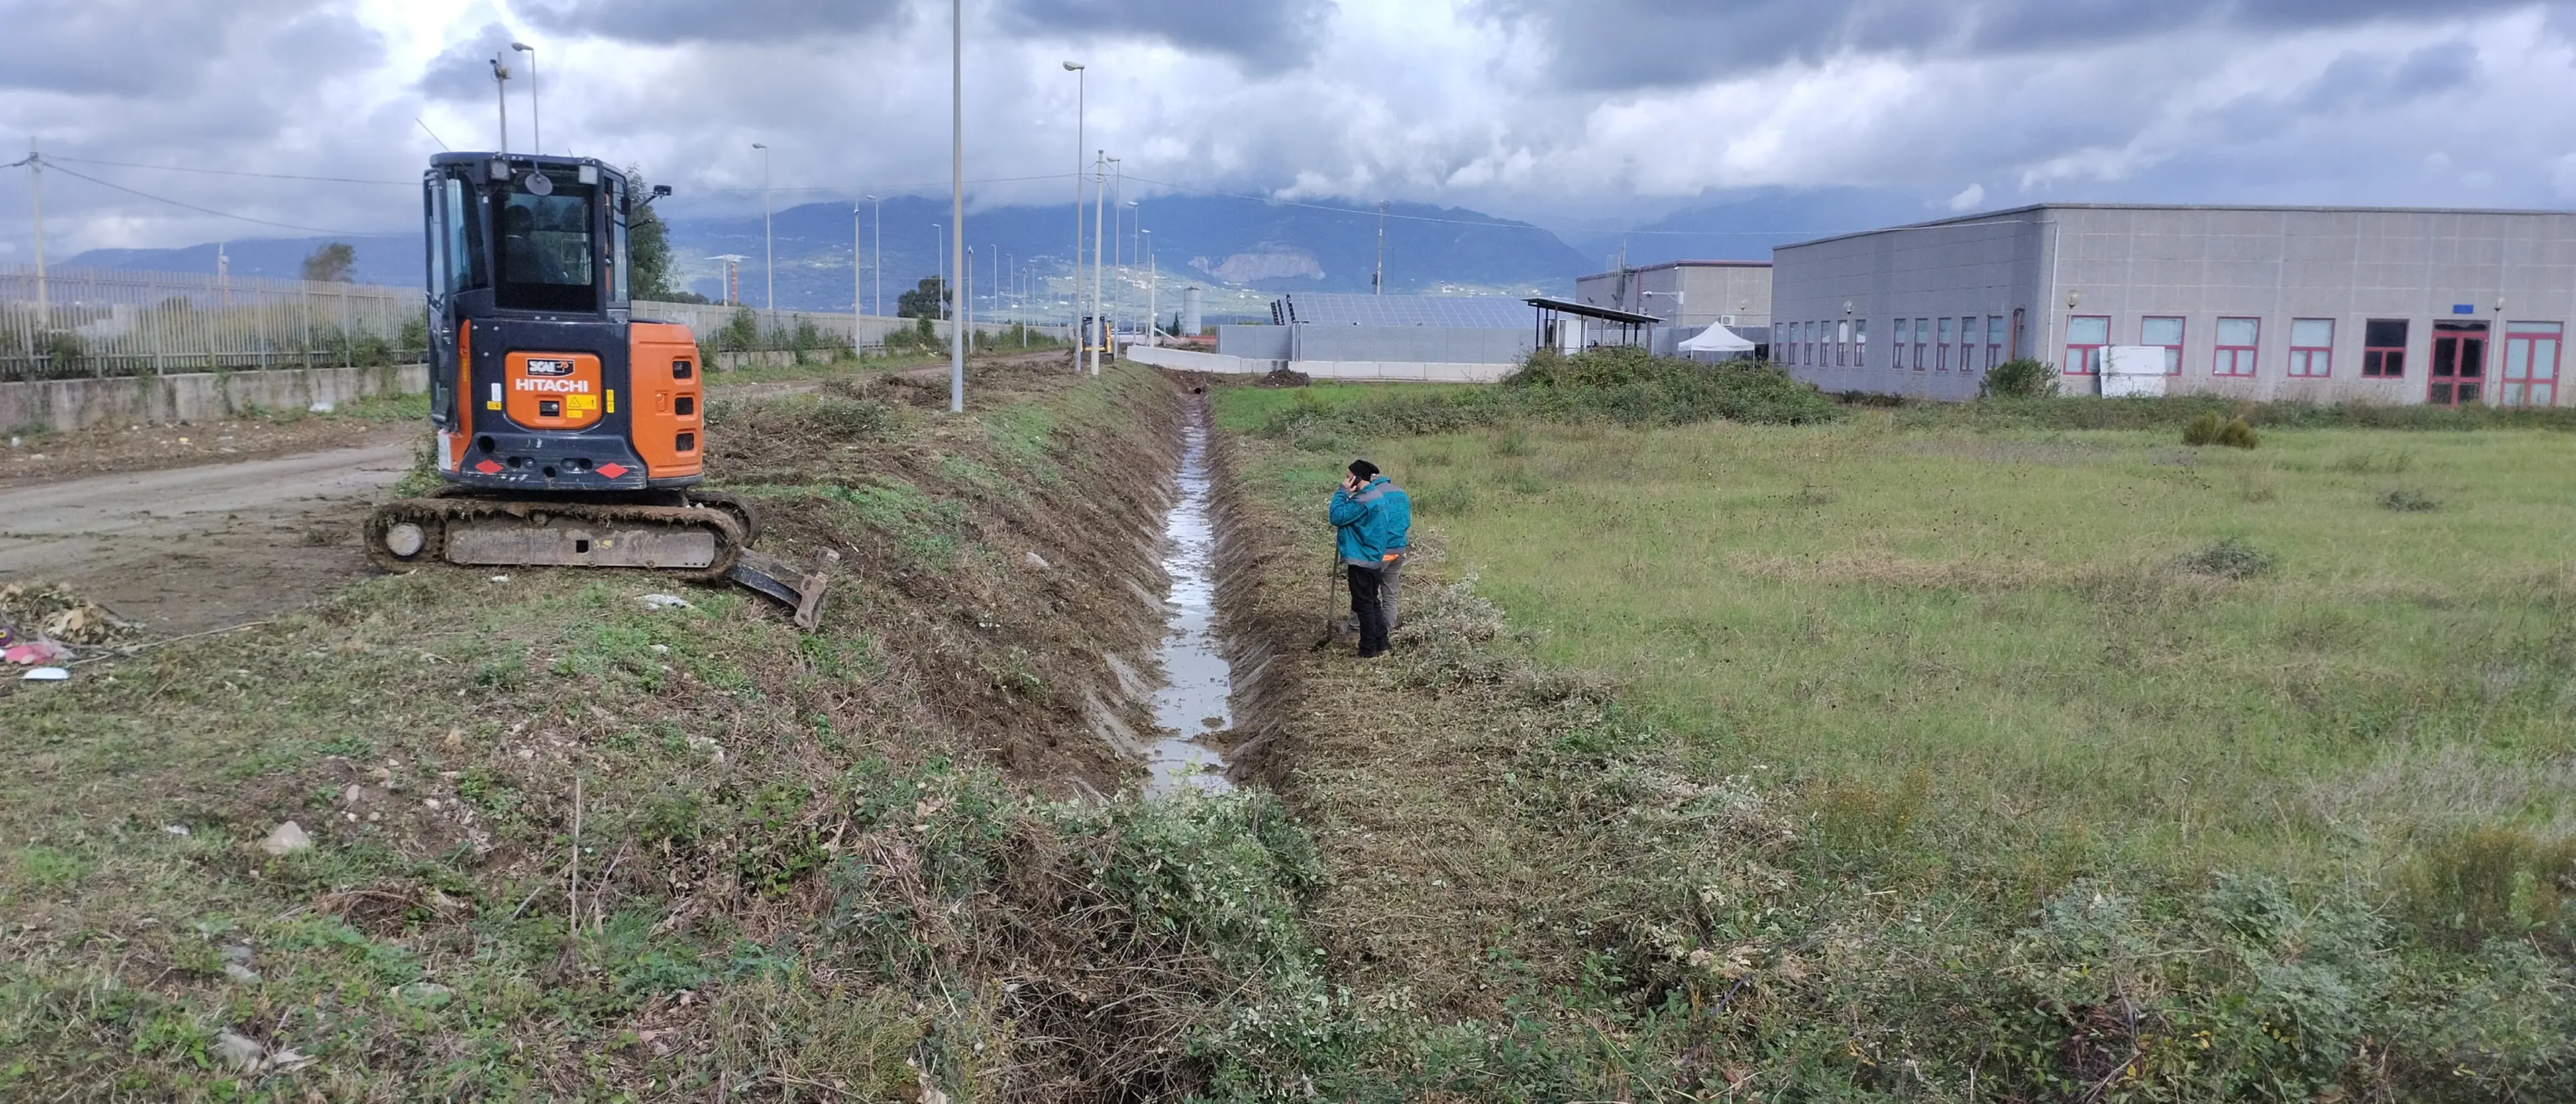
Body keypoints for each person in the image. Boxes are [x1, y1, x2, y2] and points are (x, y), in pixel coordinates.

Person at [1328, 458, 1411, 658]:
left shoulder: (1364, 500)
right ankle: (1383, 645)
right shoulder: (1377, 497)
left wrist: (1342, 493)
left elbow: (1337, 516)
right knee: (1374, 603)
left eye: (1348, 477)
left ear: (1358, 478)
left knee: (1363, 604)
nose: (1346, 480)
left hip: (1362, 558)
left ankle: (1367, 649)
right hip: (1374, 557)